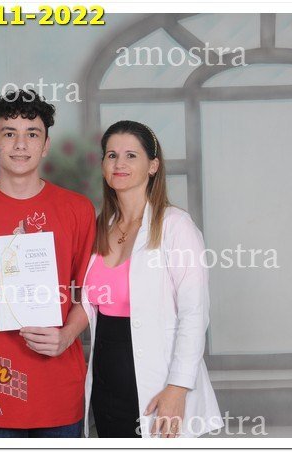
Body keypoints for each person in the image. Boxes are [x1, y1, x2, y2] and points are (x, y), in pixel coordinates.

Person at [0, 89, 95, 438]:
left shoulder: (78, 210)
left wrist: (68, 335)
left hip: (57, 386)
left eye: (32, 134)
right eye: (9, 133)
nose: (21, 144)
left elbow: (91, 293)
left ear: (46, 145)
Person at [81, 120, 223, 438]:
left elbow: (194, 313)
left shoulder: (176, 226)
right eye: (111, 155)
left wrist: (178, 387)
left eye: (131, 155)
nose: (119, 163)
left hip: (158, 386)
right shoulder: (100, 226)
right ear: (103, 165)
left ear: (153, 165)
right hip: (106, 385)